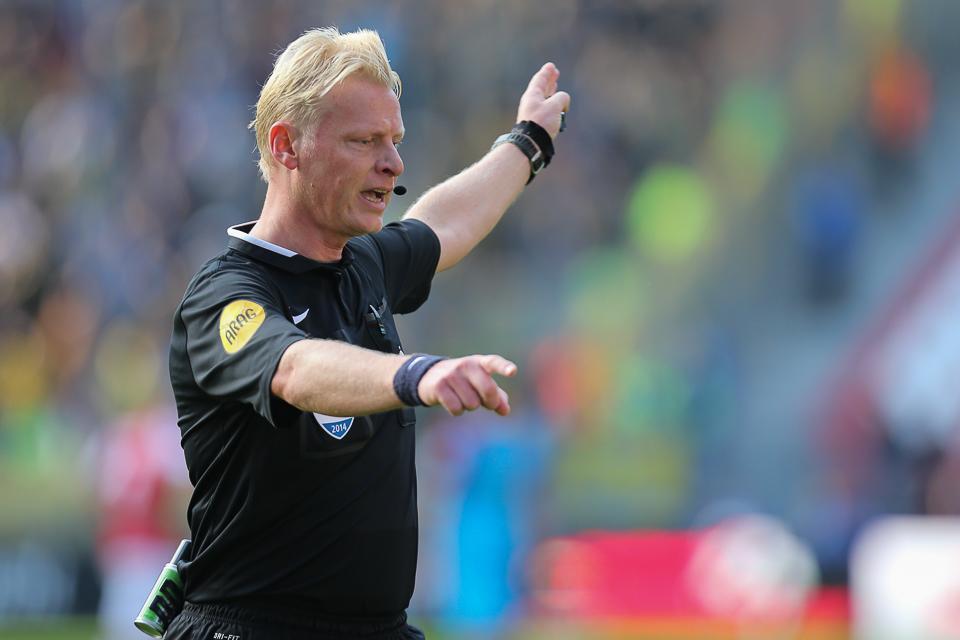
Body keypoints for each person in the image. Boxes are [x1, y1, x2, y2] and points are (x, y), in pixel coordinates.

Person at [164, 26, 569, 640]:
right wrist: (414, 375)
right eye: (364, 141)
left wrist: (527, 142)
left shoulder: (364, 267)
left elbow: (444, 223)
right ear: (287, 146)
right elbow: (295, 369)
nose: (393, 163)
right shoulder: (225, 296)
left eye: (395, 141)